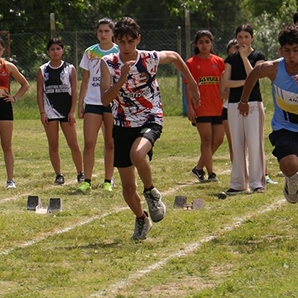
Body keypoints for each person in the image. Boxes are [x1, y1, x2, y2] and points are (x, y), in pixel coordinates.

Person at [100, 17, 200, 241]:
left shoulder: (149, 58)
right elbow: (105, 99)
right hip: (122, 122)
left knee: (137, 154)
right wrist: (122, 79)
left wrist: (192, 84)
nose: (126, 47)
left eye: (131, 42)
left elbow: (174, 56)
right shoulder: (108, 63)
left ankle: (151, 191)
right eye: (122, 42)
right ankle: (142, 219)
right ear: (115, 41)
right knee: (127, 188)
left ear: (138, 40)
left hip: (149, 117)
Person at [240, 25, 298, 237]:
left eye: (296, 50)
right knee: (289, 164)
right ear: (280, 51)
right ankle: (291, 178)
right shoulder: (272, 68)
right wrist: (244, 100)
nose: (291, 56)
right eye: (287, 50)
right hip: (285, 127)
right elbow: (253, 75)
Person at [221, 24, 268, 196]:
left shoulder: (259, 56)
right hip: (233, 104)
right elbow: (226, 83)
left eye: (246, 37)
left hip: (253, 103)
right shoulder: (231, 59)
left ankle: (257, 183)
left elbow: (255, 75)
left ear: (252, 38)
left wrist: (244, 58)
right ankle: (238, 183)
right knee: (237, 143)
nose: (243, 40)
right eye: (240, 37)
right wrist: (245, 82)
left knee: (255, 143)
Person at [0, 36, 30, 190]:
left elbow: (25, 84)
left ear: (3, 50)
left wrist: (15, 97)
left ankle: (10, 179)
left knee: (6, 144)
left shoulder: (8, 66)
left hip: (4, 105)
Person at [78, 18, 119, 192]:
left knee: (110, 142)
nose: (103, 34)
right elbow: (86, 79)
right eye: (100, 31)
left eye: (106, 31)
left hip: (112, 102)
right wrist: (80, 103)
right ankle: (86, 180)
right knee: (89, 142)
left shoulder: (119, 51)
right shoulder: (89, 52)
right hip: (93, 102)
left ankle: (108, 180)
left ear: (112, 33)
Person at [38, 37, 85, 186]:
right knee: (53, 144)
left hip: (66, 111)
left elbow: (75, 91)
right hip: (50, 111)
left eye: (58, 48)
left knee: (73, 143)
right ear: (48, 52)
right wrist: (42, 112)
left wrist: (72, 111)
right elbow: (40, 92)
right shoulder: (43, 70)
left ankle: (80, 172)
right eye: (52, 49)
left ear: (63, 50)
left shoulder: (70, 68)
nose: (55, 51)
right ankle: (59, 174)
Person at [186, 30, 226, 184]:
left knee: (218, 139)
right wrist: (190, 107)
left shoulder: (219, 61)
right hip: (201, 107)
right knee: (207, 139)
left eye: (207, 42)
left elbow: (225, 83)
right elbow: (188, 87)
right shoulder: (191, 63)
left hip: (218, 107)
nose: (204, 45)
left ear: (212, 43)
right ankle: (211, 173)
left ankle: (198, 168)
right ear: (196, 44)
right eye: (201, 42)